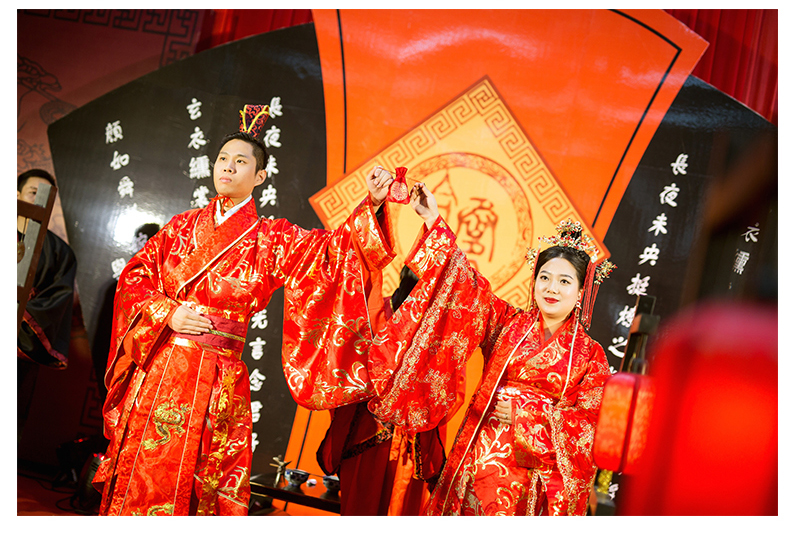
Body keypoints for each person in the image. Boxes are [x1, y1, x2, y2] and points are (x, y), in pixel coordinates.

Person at [92, 104, 398, 516]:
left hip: (218, 378)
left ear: (260, 176)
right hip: (163, 368)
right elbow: (135, 277)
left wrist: (373, 203)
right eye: (222, 159)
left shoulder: (271, 238)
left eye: (241, 161)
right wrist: (166, 312)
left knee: (204, 476)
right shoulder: (181, 227)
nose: (228, 167)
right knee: (144, 468)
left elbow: (331, 254)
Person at [366, 183, 615, 515]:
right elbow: (464, 283)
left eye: (564, 281)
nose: (551, 288)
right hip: (477, 459)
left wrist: (527, 413)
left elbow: (592, 427)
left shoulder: (591, 356)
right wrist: (433, 219)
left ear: (581, 291)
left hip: (534, 481)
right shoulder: (506, 321)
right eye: (544, 277)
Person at [317, 266, 453, 515]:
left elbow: (451, 388)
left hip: (409, 441)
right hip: (369, 432)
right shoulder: (375, 313)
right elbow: (346, 366)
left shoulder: (440, 326)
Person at [17, 169, 77, 432]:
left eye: (46, 195)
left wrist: (18, 314)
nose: (39, 199)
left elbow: (55, 302)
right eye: (33, 192)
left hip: (18, 343)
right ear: (17, 195)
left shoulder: (61, 253)